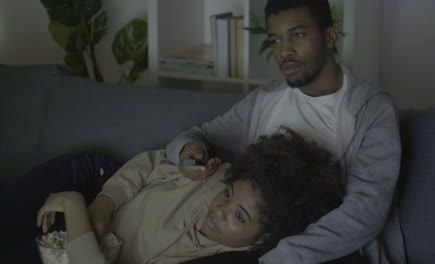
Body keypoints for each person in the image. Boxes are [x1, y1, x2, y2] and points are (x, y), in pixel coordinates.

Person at [165, 0, 405, 263]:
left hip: (331, 252)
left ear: (329, 36)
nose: (285, 51)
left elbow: (366, 210)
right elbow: (194, 137)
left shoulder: (370, 108)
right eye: (275, 41)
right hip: (257, 246)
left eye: (298, 35)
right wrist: (186, 155)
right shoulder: (264, 100)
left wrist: (282, 258)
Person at [21, 128, 341, 263]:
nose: (220, 209)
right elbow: (152, 162)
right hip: (94, 180)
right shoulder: (209, 175)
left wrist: (74, 204)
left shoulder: (224, 256)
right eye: (228, 194)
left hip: (74, 239)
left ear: (262, 238)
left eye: (239, 216)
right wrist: (104, 202)